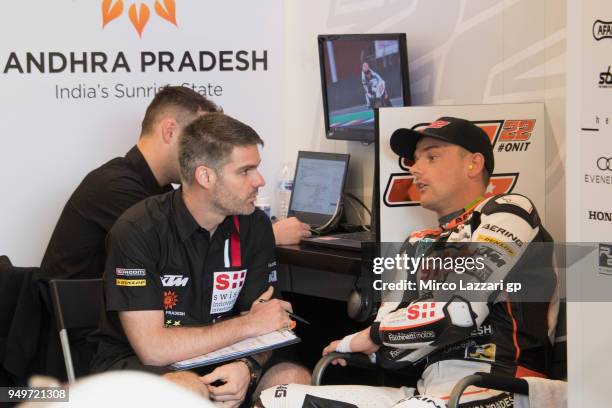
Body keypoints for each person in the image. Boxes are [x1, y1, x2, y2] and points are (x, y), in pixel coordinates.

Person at [257, 117, 559, 407]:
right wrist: (383, 337)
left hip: (504, 385)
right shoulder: (416, 243)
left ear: (474, 163)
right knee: (278, 399)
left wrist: (373, 337)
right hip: (427, 391)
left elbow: (458, 312)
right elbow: (393, 353)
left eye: (432, 157)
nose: (415, 169)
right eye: (414, 160)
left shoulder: (510, 211)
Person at [90, 113, 310, 407]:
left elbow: (269, 322)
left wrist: (248, 366)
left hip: (228, 354)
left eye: (256, 168)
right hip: (137, 365)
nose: (259, 181)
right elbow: (153, 349)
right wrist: (247, 327)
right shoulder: (137, 230)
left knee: (294, 382)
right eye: (245, 171)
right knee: (188, 392)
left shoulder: (254, 225)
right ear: (205, 176)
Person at [42, 86, 310, 282]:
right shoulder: (114, 187)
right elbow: (180, 254)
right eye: (198, 135)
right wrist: (269, 236)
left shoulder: (160, 190)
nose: (206, 145)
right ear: (170, 131)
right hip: (86, 334)